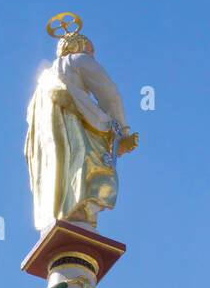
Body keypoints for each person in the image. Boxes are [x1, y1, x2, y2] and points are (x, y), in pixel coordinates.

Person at [25, 20, 138, 233]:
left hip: (52, 154)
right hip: (80, 133)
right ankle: (79, 211)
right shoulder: (78, 61)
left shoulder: (42, 83)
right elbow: (109, 92)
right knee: (85, 169)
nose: (93, 55)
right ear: (78, 46)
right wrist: (123, 131)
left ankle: (64, 212)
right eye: (91, 49)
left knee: (62, 173)